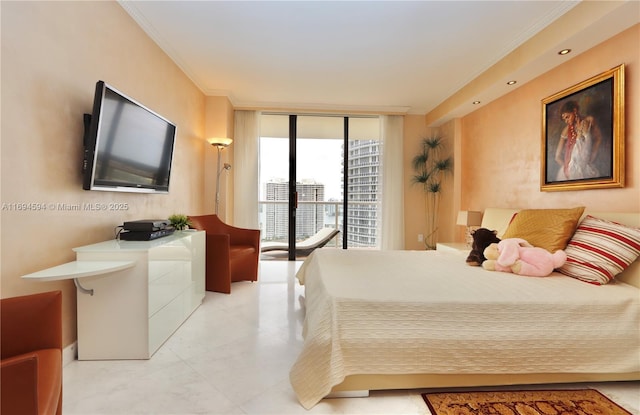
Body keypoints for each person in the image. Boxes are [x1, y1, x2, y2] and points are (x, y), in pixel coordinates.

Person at [554, 100, 602, 181]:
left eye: (567, 117)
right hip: (571, 170)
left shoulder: (589, 120)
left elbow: (598, 138)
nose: (566, 121)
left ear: (575, 111)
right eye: (564, 119)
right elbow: (557, 157)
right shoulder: (566, 130)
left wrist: (592, 156)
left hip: (586, 167)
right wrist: (567, 167)